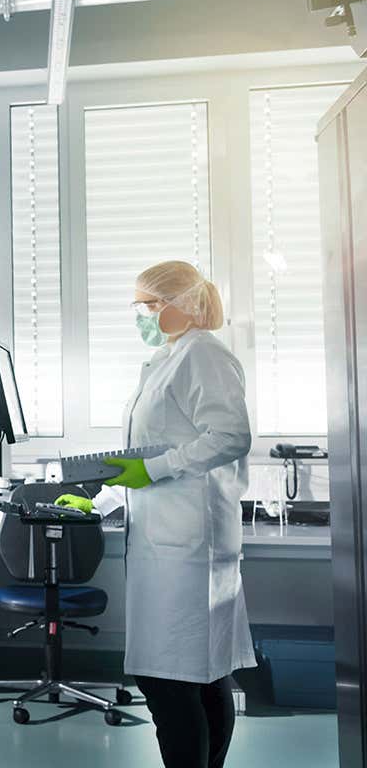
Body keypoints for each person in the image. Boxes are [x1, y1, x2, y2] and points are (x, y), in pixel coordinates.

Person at [56, 260, 255, 768]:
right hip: (169, 541)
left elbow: (230, 437)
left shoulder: (204, 355)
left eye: (147, 305)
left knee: (173, 679)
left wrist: (155, 469)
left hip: (189, 548)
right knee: (196, 675)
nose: (141, 315)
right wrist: (99, 499)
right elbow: (150, 458)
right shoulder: (171, 357)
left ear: (179, 304)